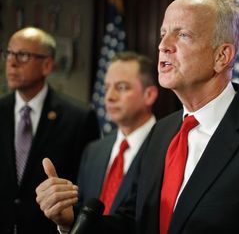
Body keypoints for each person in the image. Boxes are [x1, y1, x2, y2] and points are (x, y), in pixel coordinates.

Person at [36, 0, 239, 234]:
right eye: (163, 34)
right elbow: (132, 223)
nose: (162, 46)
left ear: (222, 56)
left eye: (182, 35)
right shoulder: (161, 132)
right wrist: (70, 220)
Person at [39, 51, 158, 232]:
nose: (109, 97)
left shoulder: (167, 148)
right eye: (107, 87)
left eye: (122, 87)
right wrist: (65, 221)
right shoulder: (93, 151)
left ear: (149, 95)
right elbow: (81, 216)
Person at [0, 27, 100, 234]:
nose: (11, 62)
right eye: (9, 53)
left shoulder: (79, 118)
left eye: (23, 55)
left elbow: (88, 187)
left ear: (47, 65)